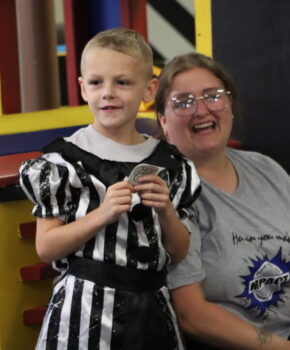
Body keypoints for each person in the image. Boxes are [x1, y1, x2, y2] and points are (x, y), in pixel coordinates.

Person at [19, 29, 200, 350]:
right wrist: (102, 214)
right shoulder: (64, 162)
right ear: (82, 89)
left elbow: (179, 252)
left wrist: (166, 211)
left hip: (152, 309)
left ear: (149, 90)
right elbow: (46, 248)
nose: (108, 93)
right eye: (96, 82)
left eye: (123, 82)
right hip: (84, 308)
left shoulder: (169, 163)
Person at [155, 52, 290, 350]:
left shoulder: (266, 169)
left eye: (213, 96)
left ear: (229, 106)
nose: (201, 110)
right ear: (164, 121)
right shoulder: (168, 193)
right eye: (184, 102)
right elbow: (192, 316)